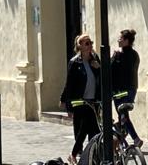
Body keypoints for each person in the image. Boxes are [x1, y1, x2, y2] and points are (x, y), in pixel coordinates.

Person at [60, 34, 101, 165]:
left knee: (94, 131)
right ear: (80, 46)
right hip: (80, 101)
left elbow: (102, 78)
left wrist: (98, 68)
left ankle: (88, 156)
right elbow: (69, 83)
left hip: (93, 101)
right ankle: (74, 154)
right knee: (84, 128)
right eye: (87, 43)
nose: (90, 46)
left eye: (91, 43)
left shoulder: (95, 59)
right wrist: (65, 101)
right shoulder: (74, 62)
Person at [111, 29, 142, 147]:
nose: (118, 40)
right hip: (132, 89)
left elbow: (111, 70)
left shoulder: (118, 54)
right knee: (123, 116)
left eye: (121, 38)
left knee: (123, 116)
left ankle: (135, 138)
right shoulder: (135, 55)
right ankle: (121, 141)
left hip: (120, 91)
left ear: (127, 41)